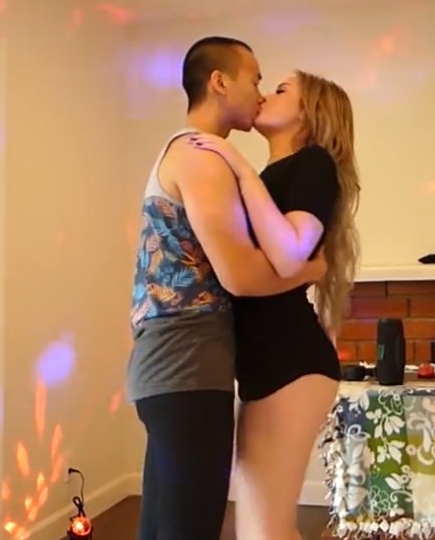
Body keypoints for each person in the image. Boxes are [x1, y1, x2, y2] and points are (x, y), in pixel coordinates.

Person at [126, 37, 326, 540]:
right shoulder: (201, 157)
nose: (260, 92)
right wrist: (310, 270)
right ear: (219, 82)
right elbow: (239, 275)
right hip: (187, 361)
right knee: (188, 526)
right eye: (255, 79)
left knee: (165, 526)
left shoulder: (193, 153)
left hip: (174, 363)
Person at [188, 69, 360, 540]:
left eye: (282, 90)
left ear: (308, 112)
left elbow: (291, 252)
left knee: (265, 528)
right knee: (259, 527)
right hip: (268, 366)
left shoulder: (313, 163)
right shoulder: (271, 176)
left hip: (292, 366)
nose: (265, 94)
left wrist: (238, 167)